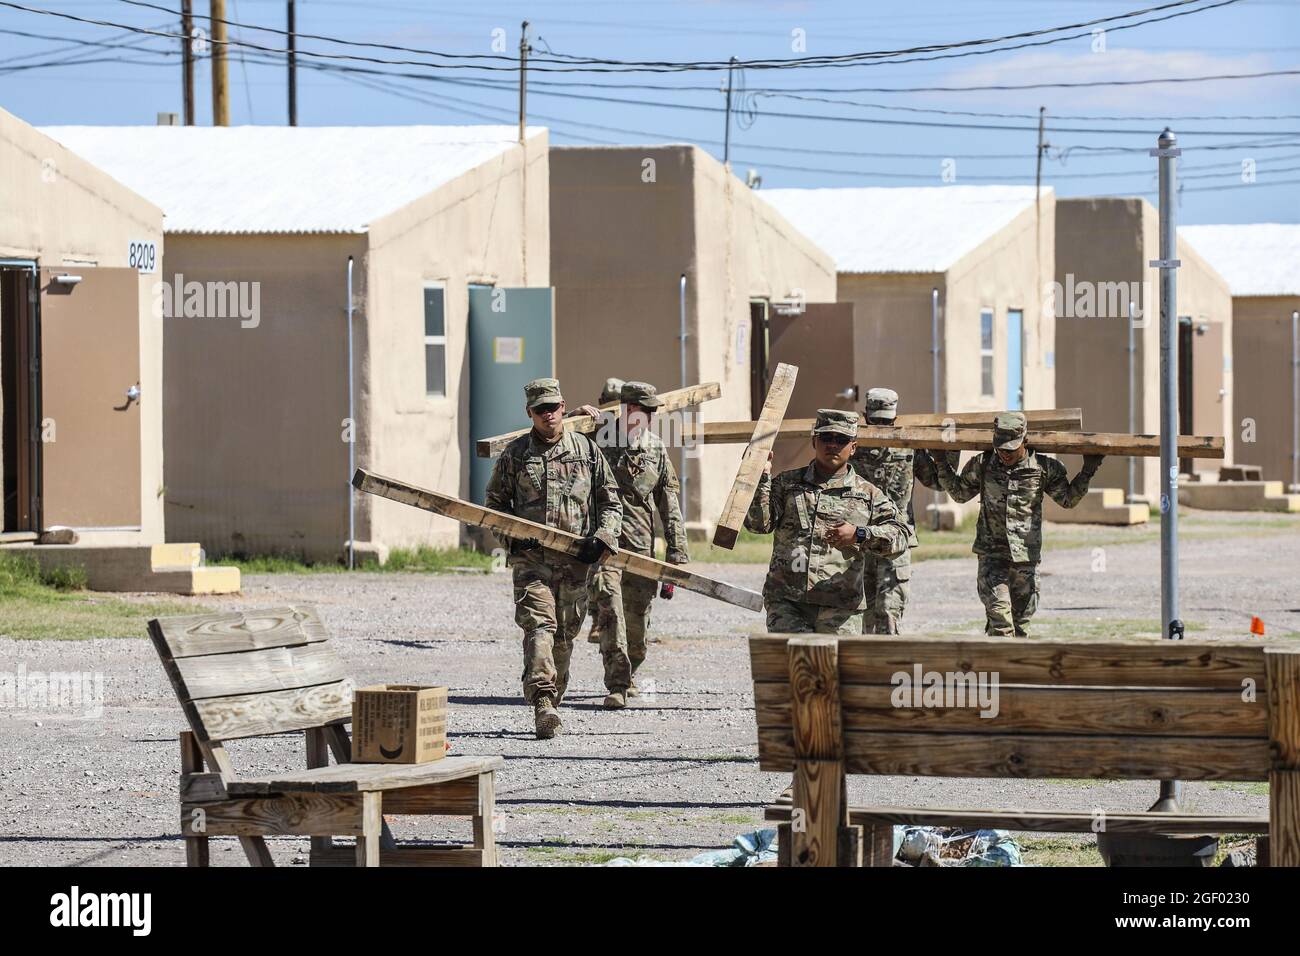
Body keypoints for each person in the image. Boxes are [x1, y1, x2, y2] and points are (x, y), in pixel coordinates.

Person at [484, 377, 622, 739]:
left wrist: (603, 538)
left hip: (576, 562)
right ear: (529, 413)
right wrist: (513, 537)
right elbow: (494, 507)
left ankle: (554, 696)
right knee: (539, 627)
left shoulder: (587, 452)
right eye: (540, 409)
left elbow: (610, 501)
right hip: (532, 561)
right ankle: (543, 702)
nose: (549, 415)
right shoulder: (515, 455)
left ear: (564, 407)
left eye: (554, 407)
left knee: (564, 635)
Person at [929, 411, 1103, 637]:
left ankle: (1002, 671)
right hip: (992, 556)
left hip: (1025, 560)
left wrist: (1088, 471)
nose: (1005, 454)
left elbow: (1067, 499)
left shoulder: (1044, 468)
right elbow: (960, 494)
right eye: (1001, 448)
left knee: (1020, 629)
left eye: (1011, 448)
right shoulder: (983, 464)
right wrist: (941, 463)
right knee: (1001, 622)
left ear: (1025, 441)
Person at [744, 408, 911, 634]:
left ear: (853, 447)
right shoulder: (787, 483)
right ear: (814, 441)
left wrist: (860, 534)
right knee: (793, 667)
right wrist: (760, 477)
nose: (832, 445)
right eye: (826, 438)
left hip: (841, 608)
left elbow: (900, 535)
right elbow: (758, 524)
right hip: (788, 603)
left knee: (836, 669)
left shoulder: (868, 494)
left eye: (841, 439)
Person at [587, 381, 689, 709]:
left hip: (642, 548)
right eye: (640, 410)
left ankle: (631, 673)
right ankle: (616, 684)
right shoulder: (598, 439)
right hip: (605, 545)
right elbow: (563, 444)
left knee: (637, 623)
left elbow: (669, 503)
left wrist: (676, 556)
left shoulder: (656, 449)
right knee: (609, 611)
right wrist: (577, 417)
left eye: (650, 412)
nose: (646, 416)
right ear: (626, 409)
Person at [849, 387, 947, 633]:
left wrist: (946, 452)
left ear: (895, 418)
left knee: (889, 617)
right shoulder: (851, 447)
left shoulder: (908, 447)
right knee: (857, 615)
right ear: (865, 417)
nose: (882, 426)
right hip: (858, 541)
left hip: (896, 541)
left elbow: (936, 481)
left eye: (886, 420)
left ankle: (884, 670)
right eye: (876, 421)